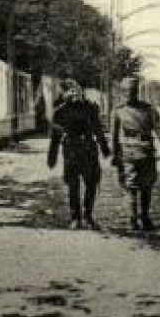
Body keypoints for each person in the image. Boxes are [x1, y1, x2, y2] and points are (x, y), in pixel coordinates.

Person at [111, 76, 160, 231]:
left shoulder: (149, 110)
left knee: (146, 186)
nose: (129, 94)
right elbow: (114, 137)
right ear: (122, 92)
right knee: (131, 187)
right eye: (126, 91)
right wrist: (114, 156)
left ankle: (144, 217)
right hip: (129, 153)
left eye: (132, 91)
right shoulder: (118, 112)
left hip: (145, 153)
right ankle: (133, 220)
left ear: (137, 92)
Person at [48, 76, 110, 229]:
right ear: (64, 94)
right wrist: (52, 156)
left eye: (76, 89)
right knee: (73, 184)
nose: (73, 93)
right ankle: (75, 217)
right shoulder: (60, 112)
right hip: (71, 150)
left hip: (89, 149)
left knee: (91, 183)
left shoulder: (90, 107)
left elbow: (98, 129)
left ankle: (88, 215)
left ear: (81, 91)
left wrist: (104, 148)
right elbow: (55, 135)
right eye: (69, 91)